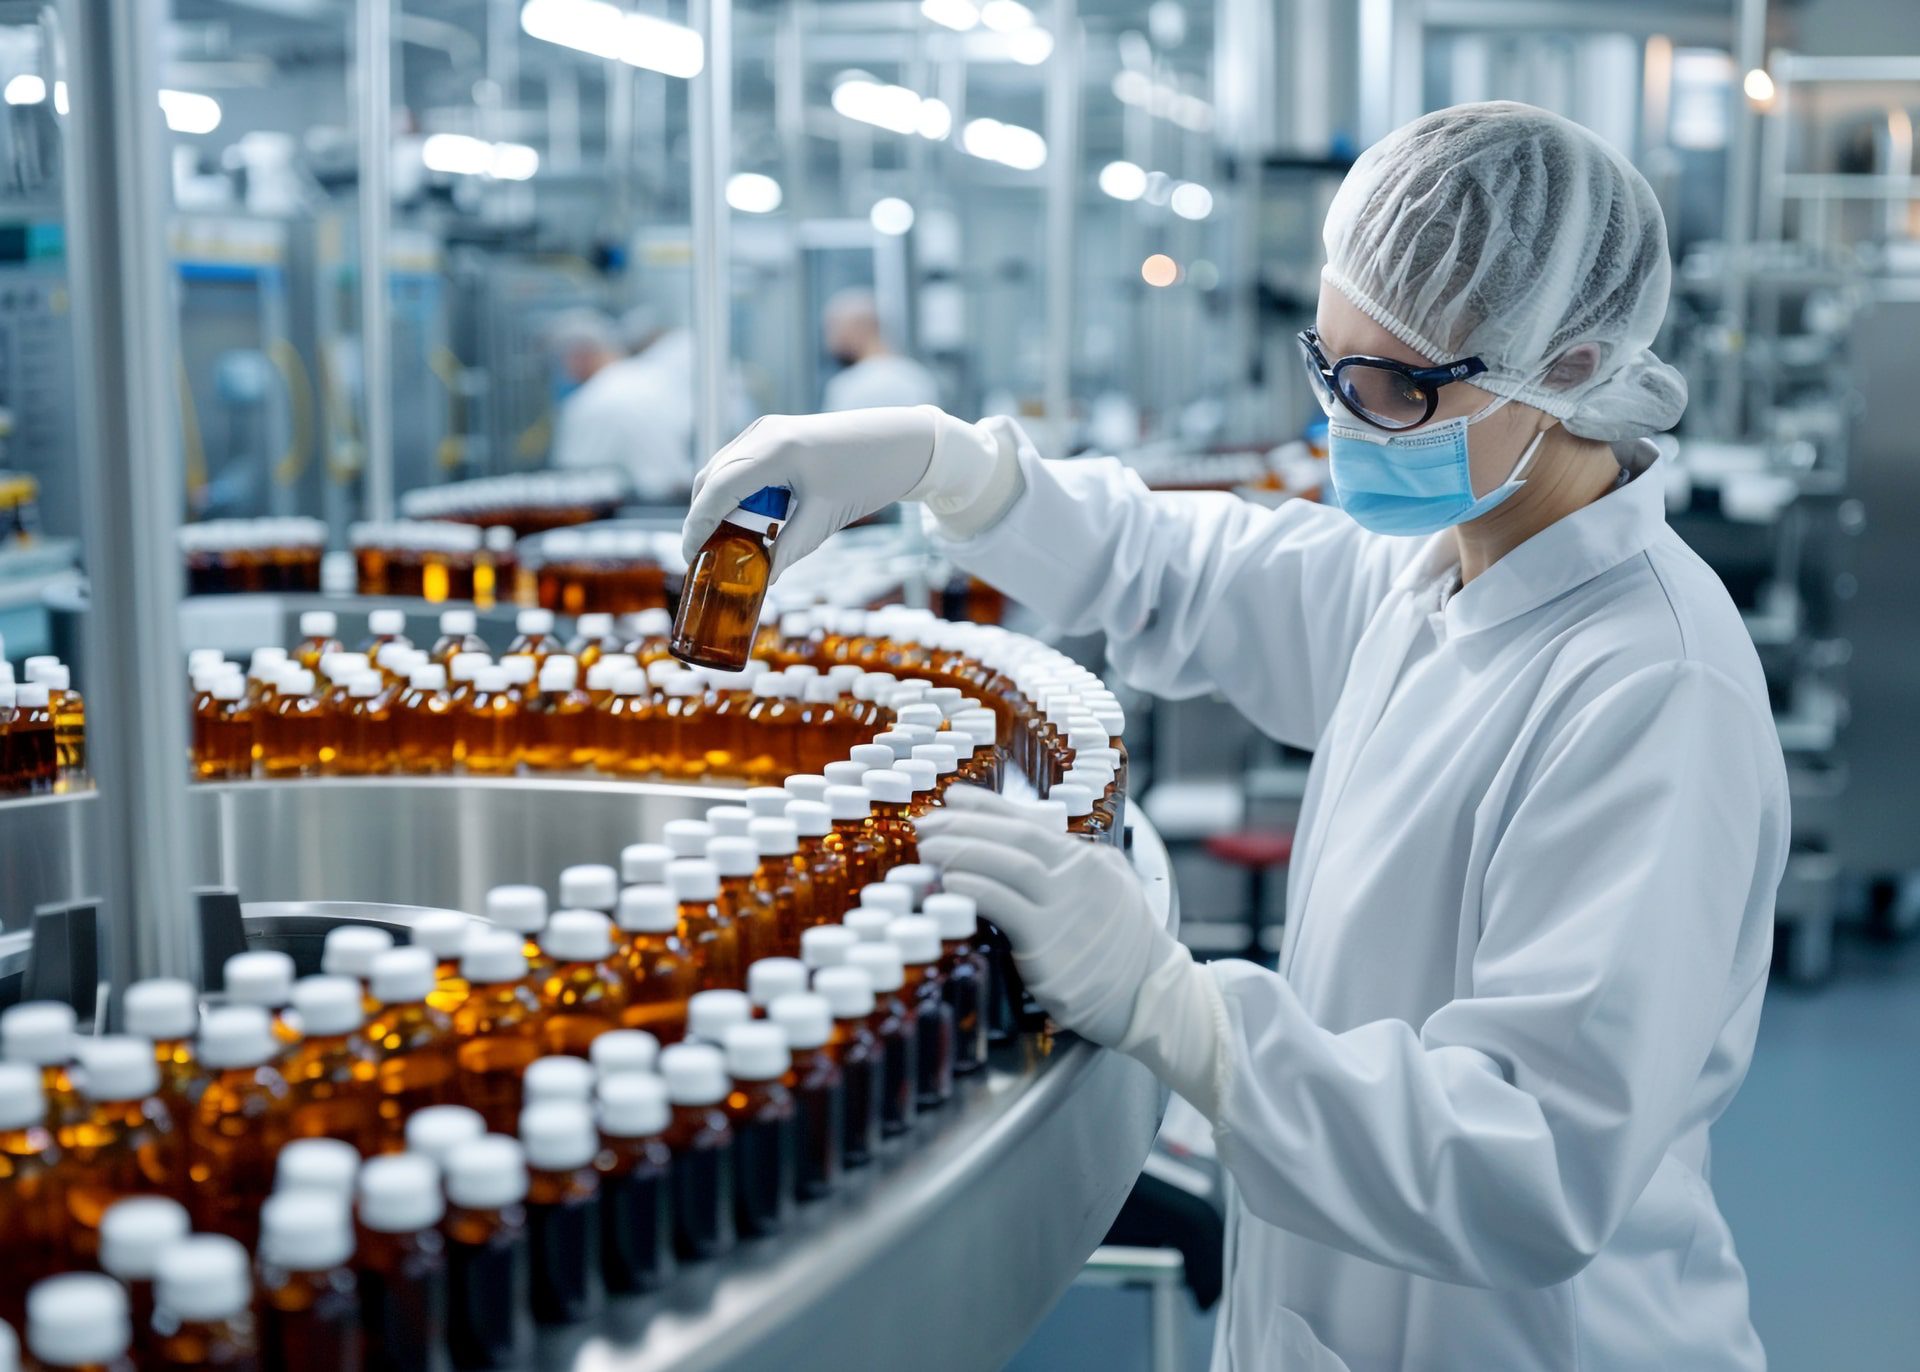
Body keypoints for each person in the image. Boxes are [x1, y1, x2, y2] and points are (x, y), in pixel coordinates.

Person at [683, 103, 1786, 1371]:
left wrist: (1182, 1011)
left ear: (1573, 371)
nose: (1348, 421)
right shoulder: (1445, 576)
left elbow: (1530, 1164)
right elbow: (1187, 567)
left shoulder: (1653, 689)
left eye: (1392, 385)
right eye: (1332, 364)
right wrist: (948, 468)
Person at [547, 307, 700, 500]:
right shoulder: (656, 378)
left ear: (579, 357)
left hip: (631, 507)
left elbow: (573, 481)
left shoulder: (590, 400)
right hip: (680, 499)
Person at [820, 288, 940, 412]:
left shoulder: (847, 387)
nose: (829, 342)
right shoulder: (918, 379)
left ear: (857, 328)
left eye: (832, 329)